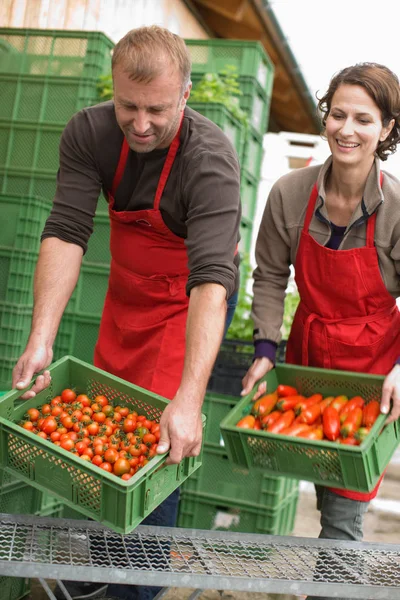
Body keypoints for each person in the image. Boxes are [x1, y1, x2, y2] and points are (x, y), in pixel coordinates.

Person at [12, 26, 241, 600]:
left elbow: (212, 280)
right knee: (108, 423)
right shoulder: (89, 132)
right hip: (127, 297)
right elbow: (66, 231)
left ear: (185, 95)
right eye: (128, 106)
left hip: (187, 304)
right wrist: (41, 339)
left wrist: (189, 400)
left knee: (159, 444)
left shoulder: (209, 160)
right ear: (112, 90)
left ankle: (134, 587)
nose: (140, 124)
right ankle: (97, 571)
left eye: (157, 110)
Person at [241, 63, 400, 600]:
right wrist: (266, 347)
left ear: (387, 129)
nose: (346, 129)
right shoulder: (290, 193)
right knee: (324, 487)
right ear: (325, 116)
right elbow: (268, 275)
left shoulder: (398, 209)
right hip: (309, 362)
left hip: (374, 372)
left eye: (364, 118)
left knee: (344, 514)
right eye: (338, 114)